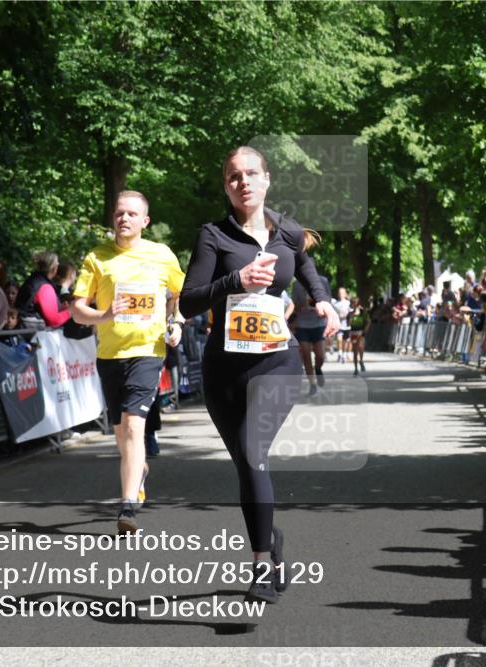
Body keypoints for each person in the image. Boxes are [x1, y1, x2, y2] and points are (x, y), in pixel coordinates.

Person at [179, 146, 339, 604]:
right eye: (233, 177)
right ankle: (272, 539)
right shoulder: (213, 236)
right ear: (226, 187)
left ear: (267, 179)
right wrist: (236, 281)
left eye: (251, 173)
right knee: (249, 466)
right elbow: (189, 302)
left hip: (276, 362)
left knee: (253, 452)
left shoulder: (286, 230)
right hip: (223, 368)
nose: (243, 182)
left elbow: (306, 267)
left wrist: (322, 299)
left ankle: (261, 567)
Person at [70, 191, 185, 535]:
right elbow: (77, 307)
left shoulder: (161, 255)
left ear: (144, 221)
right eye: (120, 213)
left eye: (132, 214)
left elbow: (181, 294)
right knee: (122, 437)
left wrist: (175, 322)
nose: (124, 219)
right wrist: (103, 315)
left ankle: (127, 508)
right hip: (109, 355)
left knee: (135, 426)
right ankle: (140, 471)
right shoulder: (97, 258)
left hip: (148, 351)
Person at [292, 272, 331, 395]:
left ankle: (318, 369)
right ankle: (312, 384)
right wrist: (301, 307)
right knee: (306, 354)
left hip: (318, 324)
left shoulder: (322, 281)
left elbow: (329, 299)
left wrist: (321, 306)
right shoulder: (296, 285)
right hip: (302, 325)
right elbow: (293, 305)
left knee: (320, 356)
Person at [15, 251, 72, 329]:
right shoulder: (45, 287)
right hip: (31, 334)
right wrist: (70, 312)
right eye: (57, 264)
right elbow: (53, 321)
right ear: (54, 268)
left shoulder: (33, 279)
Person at [348, 296, 368, 376]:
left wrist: (365, 331)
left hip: (361, 332)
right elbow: (348, 324)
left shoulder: (363, 312)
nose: (353, 305)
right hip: (353, 333)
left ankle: (361, 360)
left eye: (355, 303)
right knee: (355, 351)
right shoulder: (350, 314)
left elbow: (368, 322)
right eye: (352, 303)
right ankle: (356, 368)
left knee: (361, 349)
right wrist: (350, 318)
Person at [331, 287, 351, 363]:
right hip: (339, 325)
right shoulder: (335, 303)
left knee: (345, 341)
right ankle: (339, 354)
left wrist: (348, 314)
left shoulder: (348, 303)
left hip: (347, 325)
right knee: (339, 339)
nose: (340, 294)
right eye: (339, 293)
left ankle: (344, 354)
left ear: (345, 294)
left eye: (342, 293)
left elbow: (352, 311)